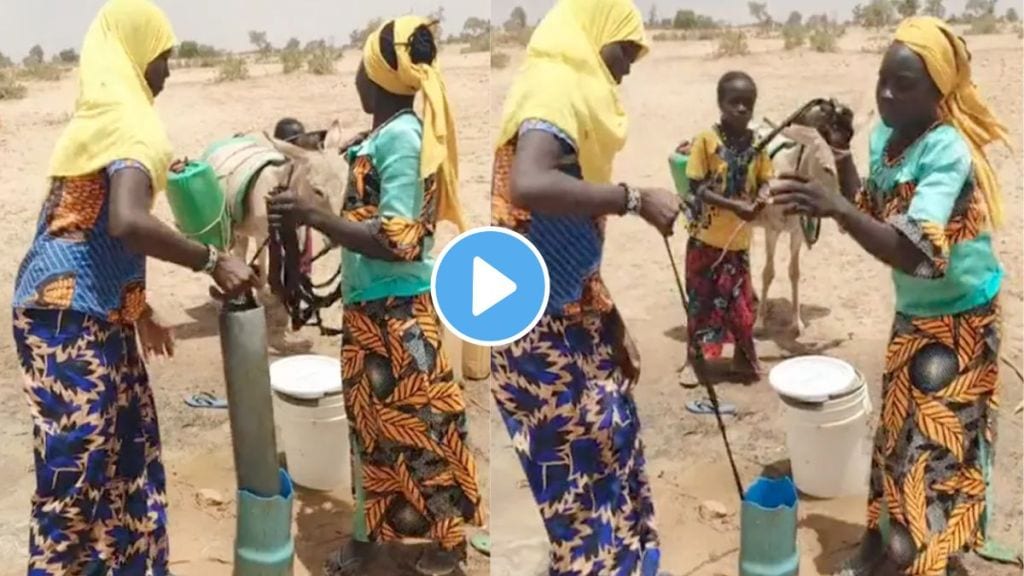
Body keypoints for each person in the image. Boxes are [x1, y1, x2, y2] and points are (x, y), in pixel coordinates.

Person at [10, 0, 257, 574]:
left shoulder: (99, 118)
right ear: (134, 55)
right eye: (162, 57)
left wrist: (138, 310)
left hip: (90, 314)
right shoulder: (130, 122)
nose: (167, 71)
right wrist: (212, 260)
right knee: (77, 473)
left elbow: (87, 229)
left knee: (128, 450)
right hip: (66, 322)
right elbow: (125, 221)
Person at [770, 16, 1007, 575]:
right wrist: (845, 155)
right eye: (883, 79)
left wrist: (838, 209)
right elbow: (879, 211)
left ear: (938, 93)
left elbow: (921, 254)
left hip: (959, 323)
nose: (887, 93)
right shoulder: (888, 137)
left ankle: (918, 560)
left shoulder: (947, 149)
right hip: (916, 316)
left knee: (932, 452)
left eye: (905, 85)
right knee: (896, 439)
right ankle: (885, 550)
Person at [266, 16, 482, 576]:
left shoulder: (405, 138)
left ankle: (444, 547)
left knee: (423, 433)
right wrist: (297, 216)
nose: (356, 77)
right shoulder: (380, 139)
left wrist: (316, 216)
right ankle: (368, 540)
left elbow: (400, 240)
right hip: (369, 314)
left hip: (400, 318)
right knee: (370, 434)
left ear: (378, 74)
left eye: (361, 65)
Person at [490, 0, 680, 573]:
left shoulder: (576, 97)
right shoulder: (553, 87)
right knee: (579, 477)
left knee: (616, 441)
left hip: (573, 314)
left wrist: (609, 319)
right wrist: (634, 198)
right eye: (625, 51)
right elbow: (529, 184)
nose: (626, 68)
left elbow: (567, 232)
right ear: (595, 37)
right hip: (535, 331)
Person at [681, 71, 772, 386]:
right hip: (705, 240)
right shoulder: (706, 141)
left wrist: (761, 197)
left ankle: (743, 360)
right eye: (735, 103)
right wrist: (735, 206)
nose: (742, 109)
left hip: (738, 244)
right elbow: (697, 187)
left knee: (741, 307)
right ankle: (694, 361)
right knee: (700, 304)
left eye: (748, 103)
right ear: (720, 103)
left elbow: (765, 181)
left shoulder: (759, 145)